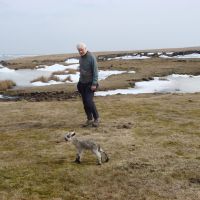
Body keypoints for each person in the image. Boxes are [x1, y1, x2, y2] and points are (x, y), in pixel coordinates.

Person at [76, 42, 100, 127]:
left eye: (81, 50)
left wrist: (94, 84)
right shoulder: (81, 58)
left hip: (90, 84)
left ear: (85, 48)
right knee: (85, 103)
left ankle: (96, 118)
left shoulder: (91, 57)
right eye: (79, 50)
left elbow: (95, 72)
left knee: (89, 101)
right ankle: (89, 119)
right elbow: (81, 72)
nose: (80, 51)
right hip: (82, 83)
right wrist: (79, 83)